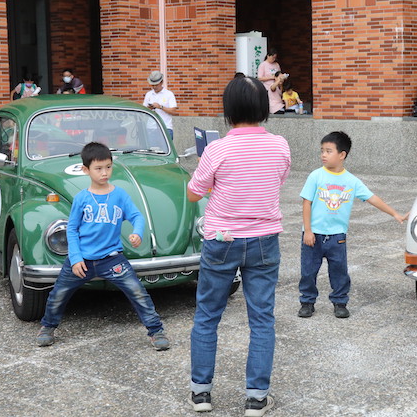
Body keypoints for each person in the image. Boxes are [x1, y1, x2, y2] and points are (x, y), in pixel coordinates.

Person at [186, 76, 290, 416]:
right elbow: (275, 182)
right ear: (263, 108)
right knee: (262, 320)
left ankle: (201, 394)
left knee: (207, 316)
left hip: (221, 240)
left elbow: (193, 193)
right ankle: (256, 398)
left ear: (228, 110)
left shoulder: (216, 149)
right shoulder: (280, 145)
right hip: (264, 240)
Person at [36, 142, 171, 351]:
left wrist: (137, 232)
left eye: (108, 167)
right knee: (58, 294)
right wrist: (76, 258)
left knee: (138, 292)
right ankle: (47, 327)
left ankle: (156, 331)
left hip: (112, 258)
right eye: (98, 168)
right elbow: (71, 230)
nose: (104, 172)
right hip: (81, 260)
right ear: (85, 170)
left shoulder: (119, 195)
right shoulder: (81, 198)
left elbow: (137, 216)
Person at [298, 131, 407, 320]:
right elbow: (306, 203)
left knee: (339, 271)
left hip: (337, 236)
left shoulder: (351, 181)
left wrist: (395, 213)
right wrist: (308, 230)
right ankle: (307, 302)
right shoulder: (315, 176)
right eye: (322, 151)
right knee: (308, 271)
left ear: (342, 155)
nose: (323, 154)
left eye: (328, 151)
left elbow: (373, 198)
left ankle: (340, 302)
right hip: (313, 235)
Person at [143, 70, 178, 140]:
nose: (154, 87)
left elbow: (174, 111)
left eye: (156, 84)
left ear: (161, 82)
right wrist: (149, 108)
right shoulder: (148, 94)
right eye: (152, 85)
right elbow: (144, 111)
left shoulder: (169, 94)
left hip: (166, 127)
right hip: (151, 128)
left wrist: (160, 107)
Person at [257, 49, 287, 114]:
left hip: (277, 86)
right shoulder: (263, 65)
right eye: (272, 57)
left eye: (275, 58)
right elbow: (259, 78)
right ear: (268, 56)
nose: (274, 59)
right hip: (267, 87)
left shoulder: (276, 64)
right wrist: (272, 77)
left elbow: (279, 74)